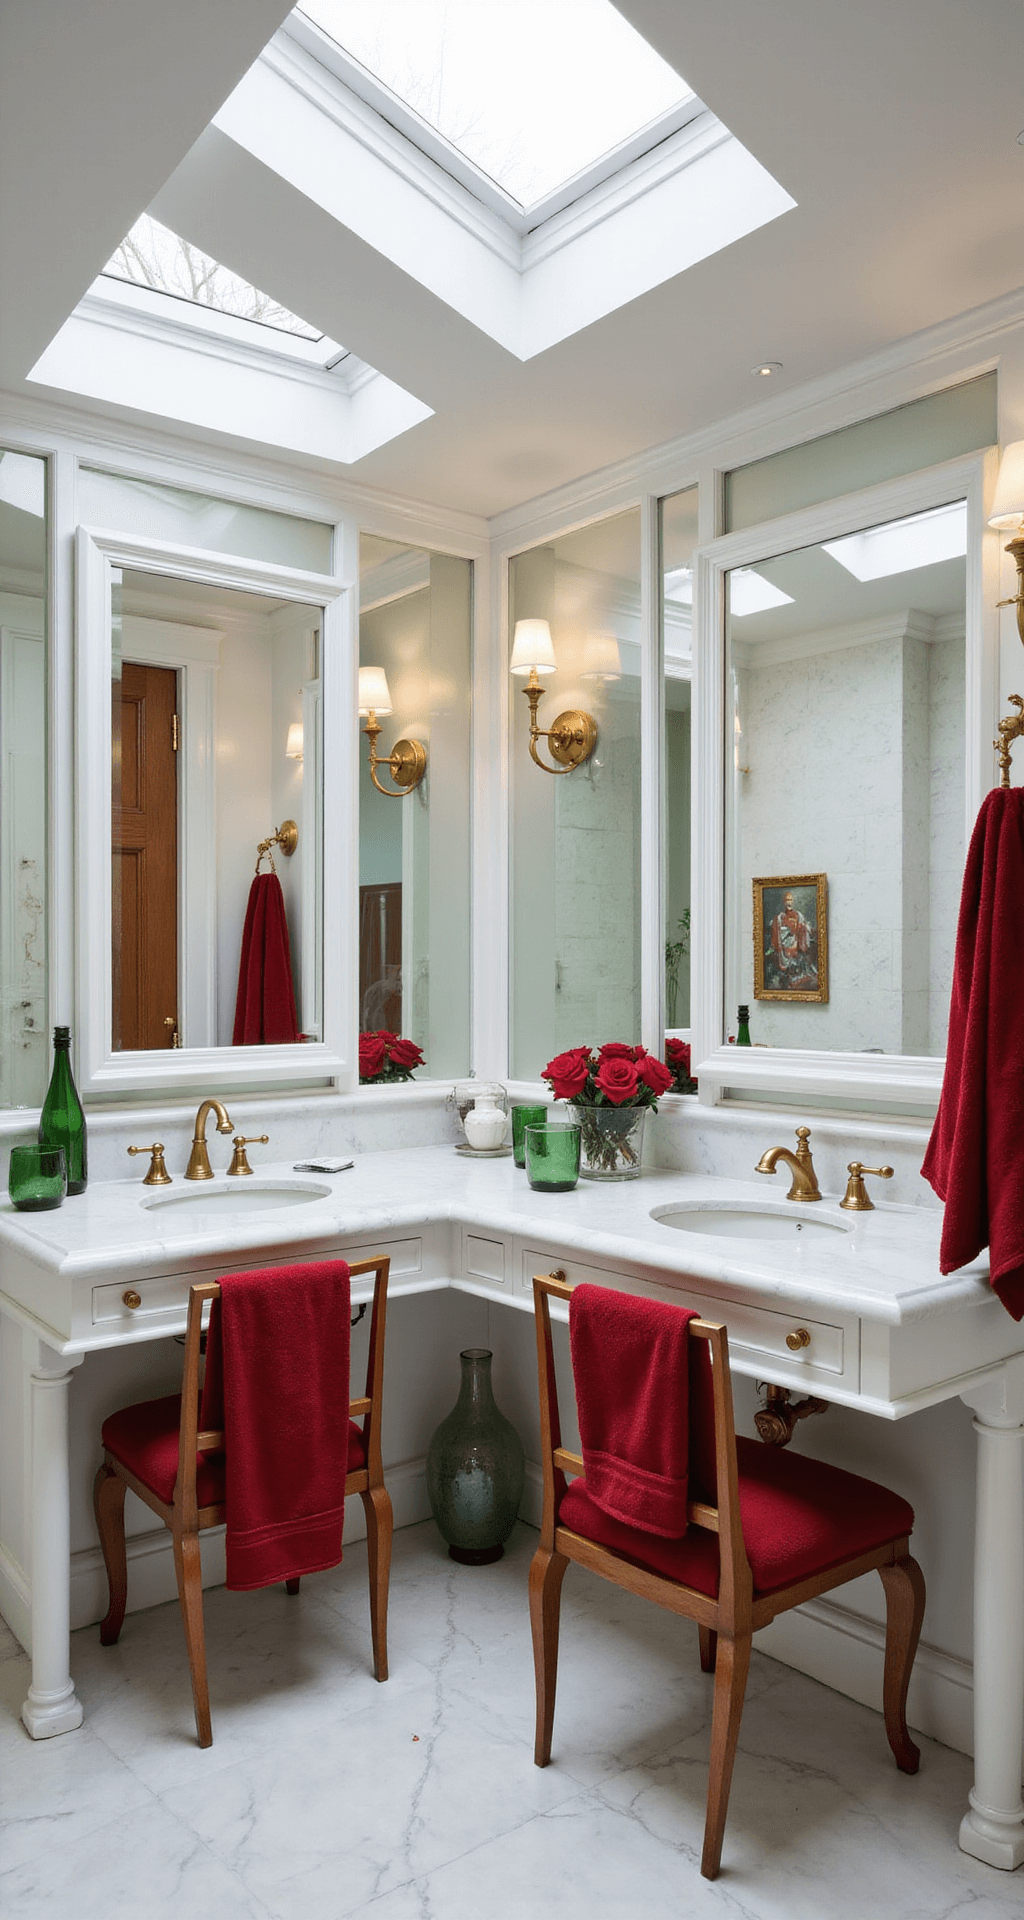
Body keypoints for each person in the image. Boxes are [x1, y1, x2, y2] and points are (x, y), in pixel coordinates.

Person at [767, 890, 816, 990]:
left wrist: (803, 928)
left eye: (790, 900)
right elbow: (778, 930)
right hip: (785, 944)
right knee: (786, 963)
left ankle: (797, 977)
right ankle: (787, 978)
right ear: (784, 902)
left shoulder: (798, 915)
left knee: (796, 961)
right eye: (786, 900)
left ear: (792, 901)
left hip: (795, 942)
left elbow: (801, 926)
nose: (788, 902)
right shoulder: (780, 917)